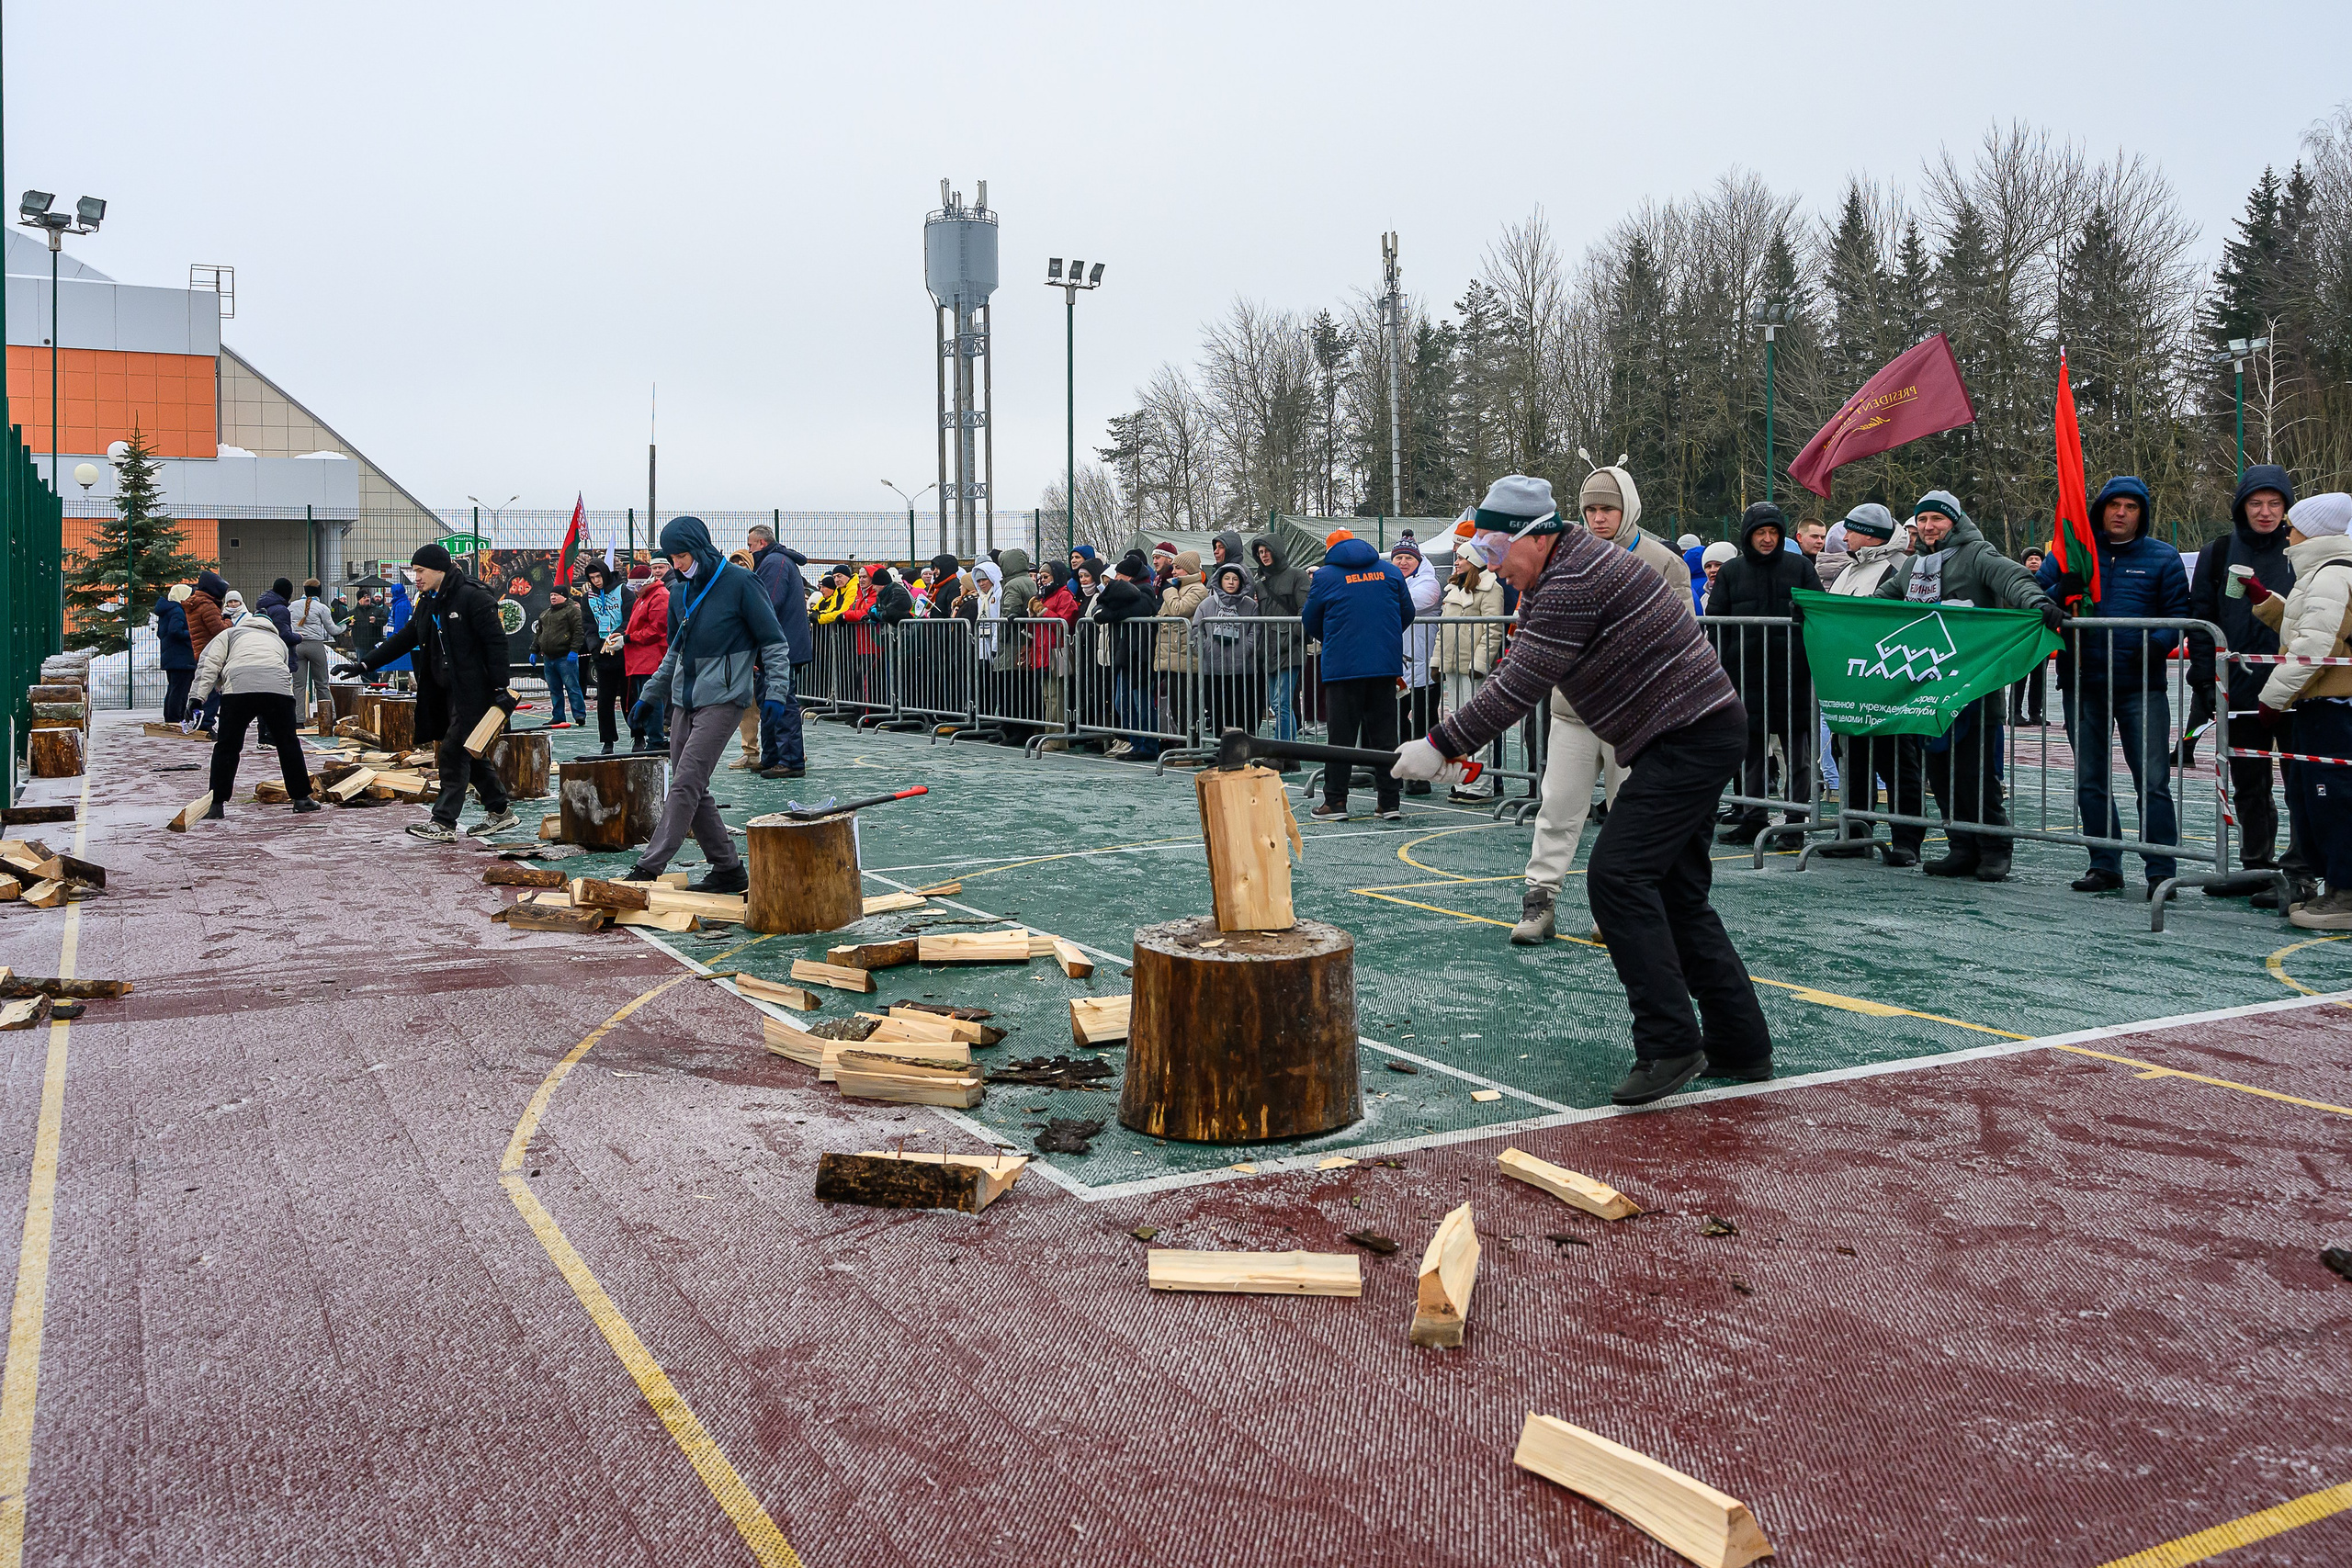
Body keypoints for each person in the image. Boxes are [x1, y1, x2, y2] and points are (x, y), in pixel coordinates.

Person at [1396, 473, 1769, 1106]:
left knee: (1618, 877)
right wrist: (1451, 743)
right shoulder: (1553, 576)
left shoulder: (1574, 577)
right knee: (1677, 893)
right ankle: (1739, 1040)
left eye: (1491, 552)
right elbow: (1519, 668)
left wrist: (1440, 743)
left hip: (1689, 734)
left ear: (1531, 537)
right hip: (1681, 733)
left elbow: (1520, 684)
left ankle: (1670, 1041)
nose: (1489, 568)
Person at [1510, 466, 1693, 941]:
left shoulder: (1664, 561)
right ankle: (1539, 902)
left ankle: (1617, 911)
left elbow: (1681, 638)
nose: (1597, 518)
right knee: (1556, 808)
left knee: (1628, 814)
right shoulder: (1558, 558)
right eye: (1590, 509)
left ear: (1627, 509)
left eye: (1606, 509)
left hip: (1635, 716)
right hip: (1572, 712)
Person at [1880, 491, 2060, 881]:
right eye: (1923, 520)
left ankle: (1995, 849)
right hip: (1927, 689)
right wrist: (1827, 612)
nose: (1929, 527)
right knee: (1941, 774)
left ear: (1955, 521)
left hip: (1975, 688)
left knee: (1976, 774)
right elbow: (1879, 603)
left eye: (1938, 520)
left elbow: (2013, 578)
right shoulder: (1913, 566)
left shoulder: (1978, 553)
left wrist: (2037, 603)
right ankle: (1960, 847)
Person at [2034, 475, 2190, 894]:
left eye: (2131, 506)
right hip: (2082, 681)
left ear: (2143, 513)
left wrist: (2156, 647)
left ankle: (2161, 870)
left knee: (2153, 782)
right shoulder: (2073, 554)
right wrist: (2056, 591)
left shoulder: (2163, 557)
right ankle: (2104, 864)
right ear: (2100, 509)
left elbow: (2180, 615)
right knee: (2090, 779)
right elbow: (2029, 595)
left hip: (2142, 686)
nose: (2120, 513)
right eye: (2113, 505)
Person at [624, 516, 793, 890]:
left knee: (684, 783)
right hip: (686, 700)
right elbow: (673, 654)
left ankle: (649, 867)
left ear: (699, 548)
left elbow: (774, 642)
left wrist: (777, 692)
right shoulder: (680, 592)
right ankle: (728, 869)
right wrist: (651, 696)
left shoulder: (742, 583)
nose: (677, 564)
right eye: (672, 558)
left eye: (682, 555)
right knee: (695, 788)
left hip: (725, 699)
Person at [341, 545, 518, 842]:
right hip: (444, 689)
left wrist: (501, 687)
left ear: (440, 569)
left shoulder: (472, 596)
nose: (417, 577)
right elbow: (406, 636)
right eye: (415, 571)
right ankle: (500, 811)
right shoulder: (428, 601)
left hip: (475, 690)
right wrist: (365, 663)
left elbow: (496, 642)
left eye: (420, 571)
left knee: (453, 750)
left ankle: (443, 822)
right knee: (470, 751)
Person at [2190, 465, 2307, 908]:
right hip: (2237, 690)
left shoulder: (2303, 550)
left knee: (2302, 781)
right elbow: (2201, 619)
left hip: (2296, 689)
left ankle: (2301, 871)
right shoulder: (2218, 551)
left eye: (2274, 504)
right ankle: (2256, 865)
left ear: (2287, 508)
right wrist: (2204, 678)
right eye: (2256, 503)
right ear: (2241, 507)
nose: (2265, 512)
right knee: (2248, 784)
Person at [2239, 493, 2352, 927]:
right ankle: (2338, 887)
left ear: (2313, 530)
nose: (2287, 529)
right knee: (2315, 798)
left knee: (2334, 799)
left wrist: (2271, 700)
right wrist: (2264, 599)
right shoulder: (2323, 574)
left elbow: (2314, 647)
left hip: (2334, 708)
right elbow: (2308, 627)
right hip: (2322, 705)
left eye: (2293, 522)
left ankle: (2346, 891)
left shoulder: (2329, 577)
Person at [1814, 504, 1926, 866]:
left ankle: (1907, 840)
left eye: (1851, 531)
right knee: (1853, 758)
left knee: (1898, 763)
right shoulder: (1850, 569)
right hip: (1854, 684)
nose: (1844, 537)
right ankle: (1857, 832)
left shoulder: (1896, 569)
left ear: (1870, 535)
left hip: (1888, 686)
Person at [1707, 502, 1823, 846]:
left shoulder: (1801, 567)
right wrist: (1720, 667)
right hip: (1744, 678)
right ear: (1748, 536)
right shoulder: (1731, 572)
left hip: (1794, 678)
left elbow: (1819, 612)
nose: (1768, 539)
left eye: (1773, 532)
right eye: (1761, 532)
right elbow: (1716, 624)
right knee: (1750, 753)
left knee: (1797, 756)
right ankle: (1753, 817)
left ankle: (1795, 821)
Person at [1301, 526, 1413, 821]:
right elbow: (1407, 612)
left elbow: (1310, 619)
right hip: (1384, 665)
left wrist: (1334, 637)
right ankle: (1389, 802)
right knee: (1386, 737)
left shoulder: (1325, 576)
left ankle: (1335, 801)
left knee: (1341, 737)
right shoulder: (1389, 572)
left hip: (1344, 666)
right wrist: (1383, 637)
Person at [189, 609, 322, 819]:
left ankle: (216, 804)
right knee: (288, 743)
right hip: (277, 689)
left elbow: (209, 663)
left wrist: (197, 697)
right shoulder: (277, 639)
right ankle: (302, 799)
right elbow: (285, 666)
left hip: (239, 689)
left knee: (228, 746)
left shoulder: (231, 634)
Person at [747, 524, 812, 779]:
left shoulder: (774, 563)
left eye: (751, 544)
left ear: (761, 543)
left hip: (779, 645)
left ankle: (791, 760)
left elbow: (768, 603)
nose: (749, 549)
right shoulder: (778, 561)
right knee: (769, 700)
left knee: (781, 701)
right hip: (782, 643)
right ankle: (774, 756)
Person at [1093, 552, 1161, 759]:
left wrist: (1109, 612)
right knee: (1122, 702)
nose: (1115, 581)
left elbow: (1112, 611)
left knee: (1140, 702)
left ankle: (1148, 745)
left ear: (1129, 578)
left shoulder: (1146, 592)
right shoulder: (1133, 593)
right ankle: (1136, 742)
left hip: (1139, 655)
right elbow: (1100, 608)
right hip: (1126, 654)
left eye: (1119, 577)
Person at [1250, 535, 1311, 760]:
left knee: (1283, 703)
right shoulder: (1260, 582)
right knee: (1277, 703)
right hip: (1268, 648)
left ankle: (1282, 752)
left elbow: (1306, 609)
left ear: (1277, 550)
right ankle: (1289, 753)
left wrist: (1293, 636)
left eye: (1267, 550)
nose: (1264, 555)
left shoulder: (1297, 575)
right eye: (1260, 552)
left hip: (1290, 648)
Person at [1391, 540, 1442, 795]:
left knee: (1423, 722)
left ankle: (1422, 776)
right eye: (1398, 558)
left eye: (1408, 558)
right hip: (1397, 666)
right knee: (1397, 721)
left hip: (1424, 667)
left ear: (1418, 561)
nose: (1402, 562)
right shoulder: (1392, 582)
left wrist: (1383, 592)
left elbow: (1410, 604)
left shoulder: (1429, 584)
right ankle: (1401, 769)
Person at [1193, 561, 1261, 739]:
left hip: (1242, 669)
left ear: (1241, 582)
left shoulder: (1250, 606)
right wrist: (1207, 648)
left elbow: (1256, 630)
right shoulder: (1206, 605)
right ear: (1219, 581)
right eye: (1227, 578)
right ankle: (1219, 749)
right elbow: (1196, 631)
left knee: (1241, 711)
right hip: (1214, 669)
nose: (1231, 582)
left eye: (1235, 579)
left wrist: (1246, 648)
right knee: (1217, 711)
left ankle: (1240, 750)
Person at [1153, 550, 1208, 745]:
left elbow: (1179, 610)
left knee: (1187, 705)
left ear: (1190, 569)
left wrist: (1168, 591)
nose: (1173, 572)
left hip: (1186, 656)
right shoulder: (1178, 590)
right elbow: (1161, 615)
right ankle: (1184, 741)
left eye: (1178, 568)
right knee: (1176, 704)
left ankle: (1191, 743)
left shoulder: (1197, 590)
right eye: (1173, 568)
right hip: (1172, 656)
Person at [581, 562, 629, 753]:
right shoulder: (588, 598)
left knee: (629, 698)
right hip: (602, 653)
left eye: (598, 577)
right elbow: (588, 625)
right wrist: (595, 647)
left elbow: (629, 618)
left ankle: (639, 735)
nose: (596, 581)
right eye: (592, 578)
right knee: (604, 700)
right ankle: (608, 741)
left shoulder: (623, 591)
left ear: (606, 574)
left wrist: (618, 635)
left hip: (623, 650)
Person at [623, 564, 671, 750]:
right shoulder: (645, 597)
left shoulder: (659, 597)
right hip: (640, 659)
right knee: (647, 698)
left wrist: (627, 638)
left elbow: (656, 630)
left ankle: (656, 739)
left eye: (636, 586)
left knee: (651, 699)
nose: (634, 591)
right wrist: (624, 637)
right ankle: (653, 737)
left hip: (650, 659)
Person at [183, 570, 233, 735]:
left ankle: (201, 721)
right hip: (212, 650)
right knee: (213, 691)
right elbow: (219, 630)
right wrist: (227, 620)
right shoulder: (207, 605)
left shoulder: (196, 603)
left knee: (205, 687)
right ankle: (206, 724)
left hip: (202, 649)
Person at [536, 584, 586, 729]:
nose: (553, 597)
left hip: (565, 657)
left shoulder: (572, 611)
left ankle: (579, 715)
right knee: (554, 689)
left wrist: (574, 650)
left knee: (572, 687)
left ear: (564, 596)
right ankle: (558, 716)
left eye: (556, 595)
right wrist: (534, 651)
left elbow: (578, 631)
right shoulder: (545, 614)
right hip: (549, 658)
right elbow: (539, 634)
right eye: (551, 595)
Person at [287, 579, 340, 713]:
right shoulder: (322, 608)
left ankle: (298, 718)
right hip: (315, 646)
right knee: (322, 683)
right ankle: (329, 716)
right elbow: (333, 630)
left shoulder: (292, 606)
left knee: (298, 685)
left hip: (297, 645)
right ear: (319, 591)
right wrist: (345, 626)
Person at [2011, 547, 2051, 724]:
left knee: (2039, 676)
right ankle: (2015, 712)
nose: (2034, 561)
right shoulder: (2015, 581)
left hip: (2043, 634)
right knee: (2020, 675)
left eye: (2037, 559)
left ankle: (2035, 712)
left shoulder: (2050, 582)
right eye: (2030, 559)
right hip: (2022, 635)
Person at [156, 585, 197, 723]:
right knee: (180, 690)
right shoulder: (177, 610)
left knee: (174, 688)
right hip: (182, 657)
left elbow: (162, 633)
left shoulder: (166, 610)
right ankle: (176, 719)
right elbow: (175, 631)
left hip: (172, 656)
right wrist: (193, 634)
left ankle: (171, 717)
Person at [349, 590, 390, 674]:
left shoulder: (378, 610)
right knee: (362, 667)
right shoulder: (353, 613)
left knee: (375, 666)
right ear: (359, 600)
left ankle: (375, 684)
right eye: (364, 597)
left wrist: (376, 620)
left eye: (368, 597)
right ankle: (365, 684)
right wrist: (350, 624)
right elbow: (345, 623)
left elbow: (385, 620)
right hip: (360, 644)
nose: (367, 599)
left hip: (374, 643)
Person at [1697, 542, 1735, 610]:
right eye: (1708, 566)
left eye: (1718, 565)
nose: (1712, 570)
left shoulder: (1739, 596)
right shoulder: (1704, 599)